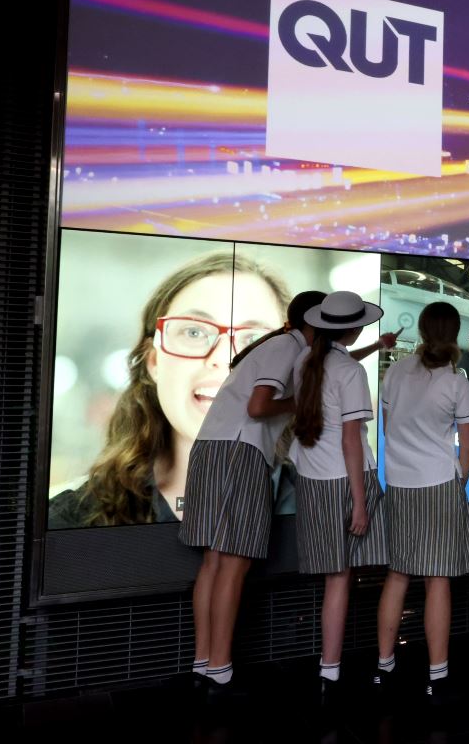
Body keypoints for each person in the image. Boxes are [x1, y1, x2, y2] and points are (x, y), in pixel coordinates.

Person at [50, 253, 294, 529]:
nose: (226, 359)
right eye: (194, 332)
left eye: (255, 339)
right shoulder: (68, 522)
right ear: (154, 362)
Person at [173, 277, 303, 696]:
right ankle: (220, 670)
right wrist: (303, 403)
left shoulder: (276, 344)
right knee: (234, 563)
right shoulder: (288, 349)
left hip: (213, 449)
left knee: (213, 561)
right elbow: (259, 405)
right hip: (239, 452)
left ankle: (203, 663)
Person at [374, 301, 469, 703]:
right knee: (438, 579)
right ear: (454, 333)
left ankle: (384, 668)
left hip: (400, 483)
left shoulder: (396, 372)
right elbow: (467, 447)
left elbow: (388, 428)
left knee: (398, 574)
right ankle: (437, 676)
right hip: (439, 483)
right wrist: (460, 484)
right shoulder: (456, 382)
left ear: (420, 330)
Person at [288, 290, 387, 700]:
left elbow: (338, 370)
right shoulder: (350, 373)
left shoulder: (305, 362)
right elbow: (351, 440)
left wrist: (375, 348)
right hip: (345, 480)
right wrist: (361, 502)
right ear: (354, 327)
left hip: (311, 480)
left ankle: (328, 671)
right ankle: (346, 668)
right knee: (346, 577)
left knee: (334, 577)